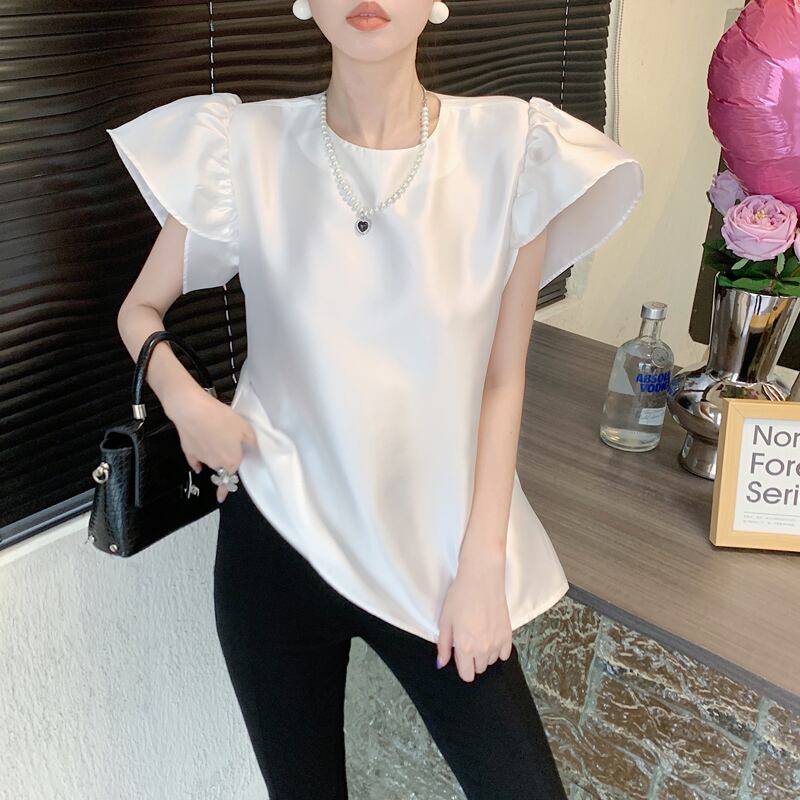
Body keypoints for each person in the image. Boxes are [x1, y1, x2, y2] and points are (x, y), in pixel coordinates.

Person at [109, 1, 644, 797]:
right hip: (275, 544)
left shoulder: (512, 150)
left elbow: (502, 378)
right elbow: (138, 311)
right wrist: (187, 403)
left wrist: (484, 566)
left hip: (435, 559)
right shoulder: (244, 148)